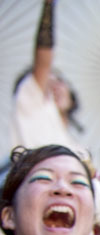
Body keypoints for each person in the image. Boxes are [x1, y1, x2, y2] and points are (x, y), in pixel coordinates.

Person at [8, 0, 82, 154]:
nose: (55, 87)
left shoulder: (73, 143)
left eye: (59, 82)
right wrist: (49, 7)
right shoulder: (34, 107)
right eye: (47, 82)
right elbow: (43, 61)